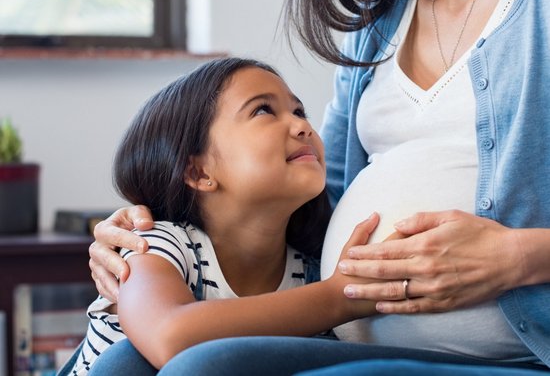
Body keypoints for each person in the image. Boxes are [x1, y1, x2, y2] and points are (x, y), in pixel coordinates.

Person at [88, 0, 550, 374]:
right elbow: (317, 199)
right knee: (121, 363)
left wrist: (519, 257)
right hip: (359, 337)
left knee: (200, 369)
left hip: (512, 351)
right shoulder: (381, 19)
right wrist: (147, 234)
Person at [60, 57, 395, 375]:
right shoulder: (156, 246)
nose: (302, 125)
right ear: (198, 171)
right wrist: (340, 298)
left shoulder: (310, 269)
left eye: (299, 110)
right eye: (263, 110)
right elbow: (169, 336)